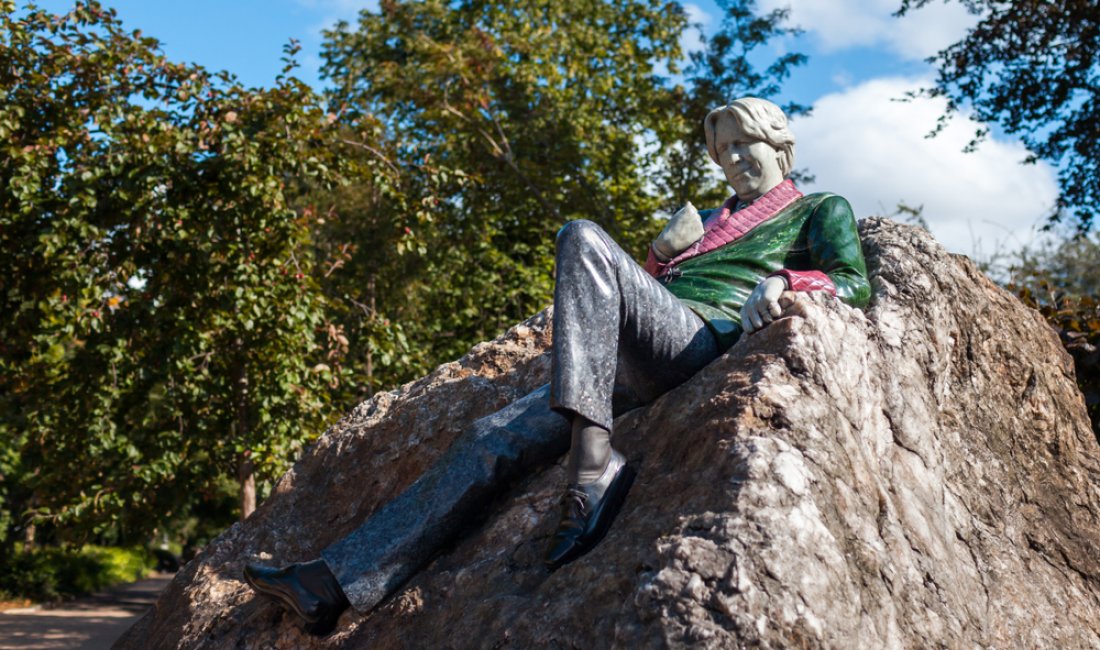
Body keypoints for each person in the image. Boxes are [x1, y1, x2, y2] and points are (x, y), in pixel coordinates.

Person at [243, 97, 871, 636]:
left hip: (701, 340)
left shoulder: (818, 209)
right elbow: (620, 298)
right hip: (630, 355)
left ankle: (593, 468)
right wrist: (660, 256)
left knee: (582, 235)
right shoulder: (706, 223)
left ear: (780, 146)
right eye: (723, 149)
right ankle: (332, 584)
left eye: (746, 144)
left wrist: (788, 280)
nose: (732, 158)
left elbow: (854, 283)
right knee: (489, 438)